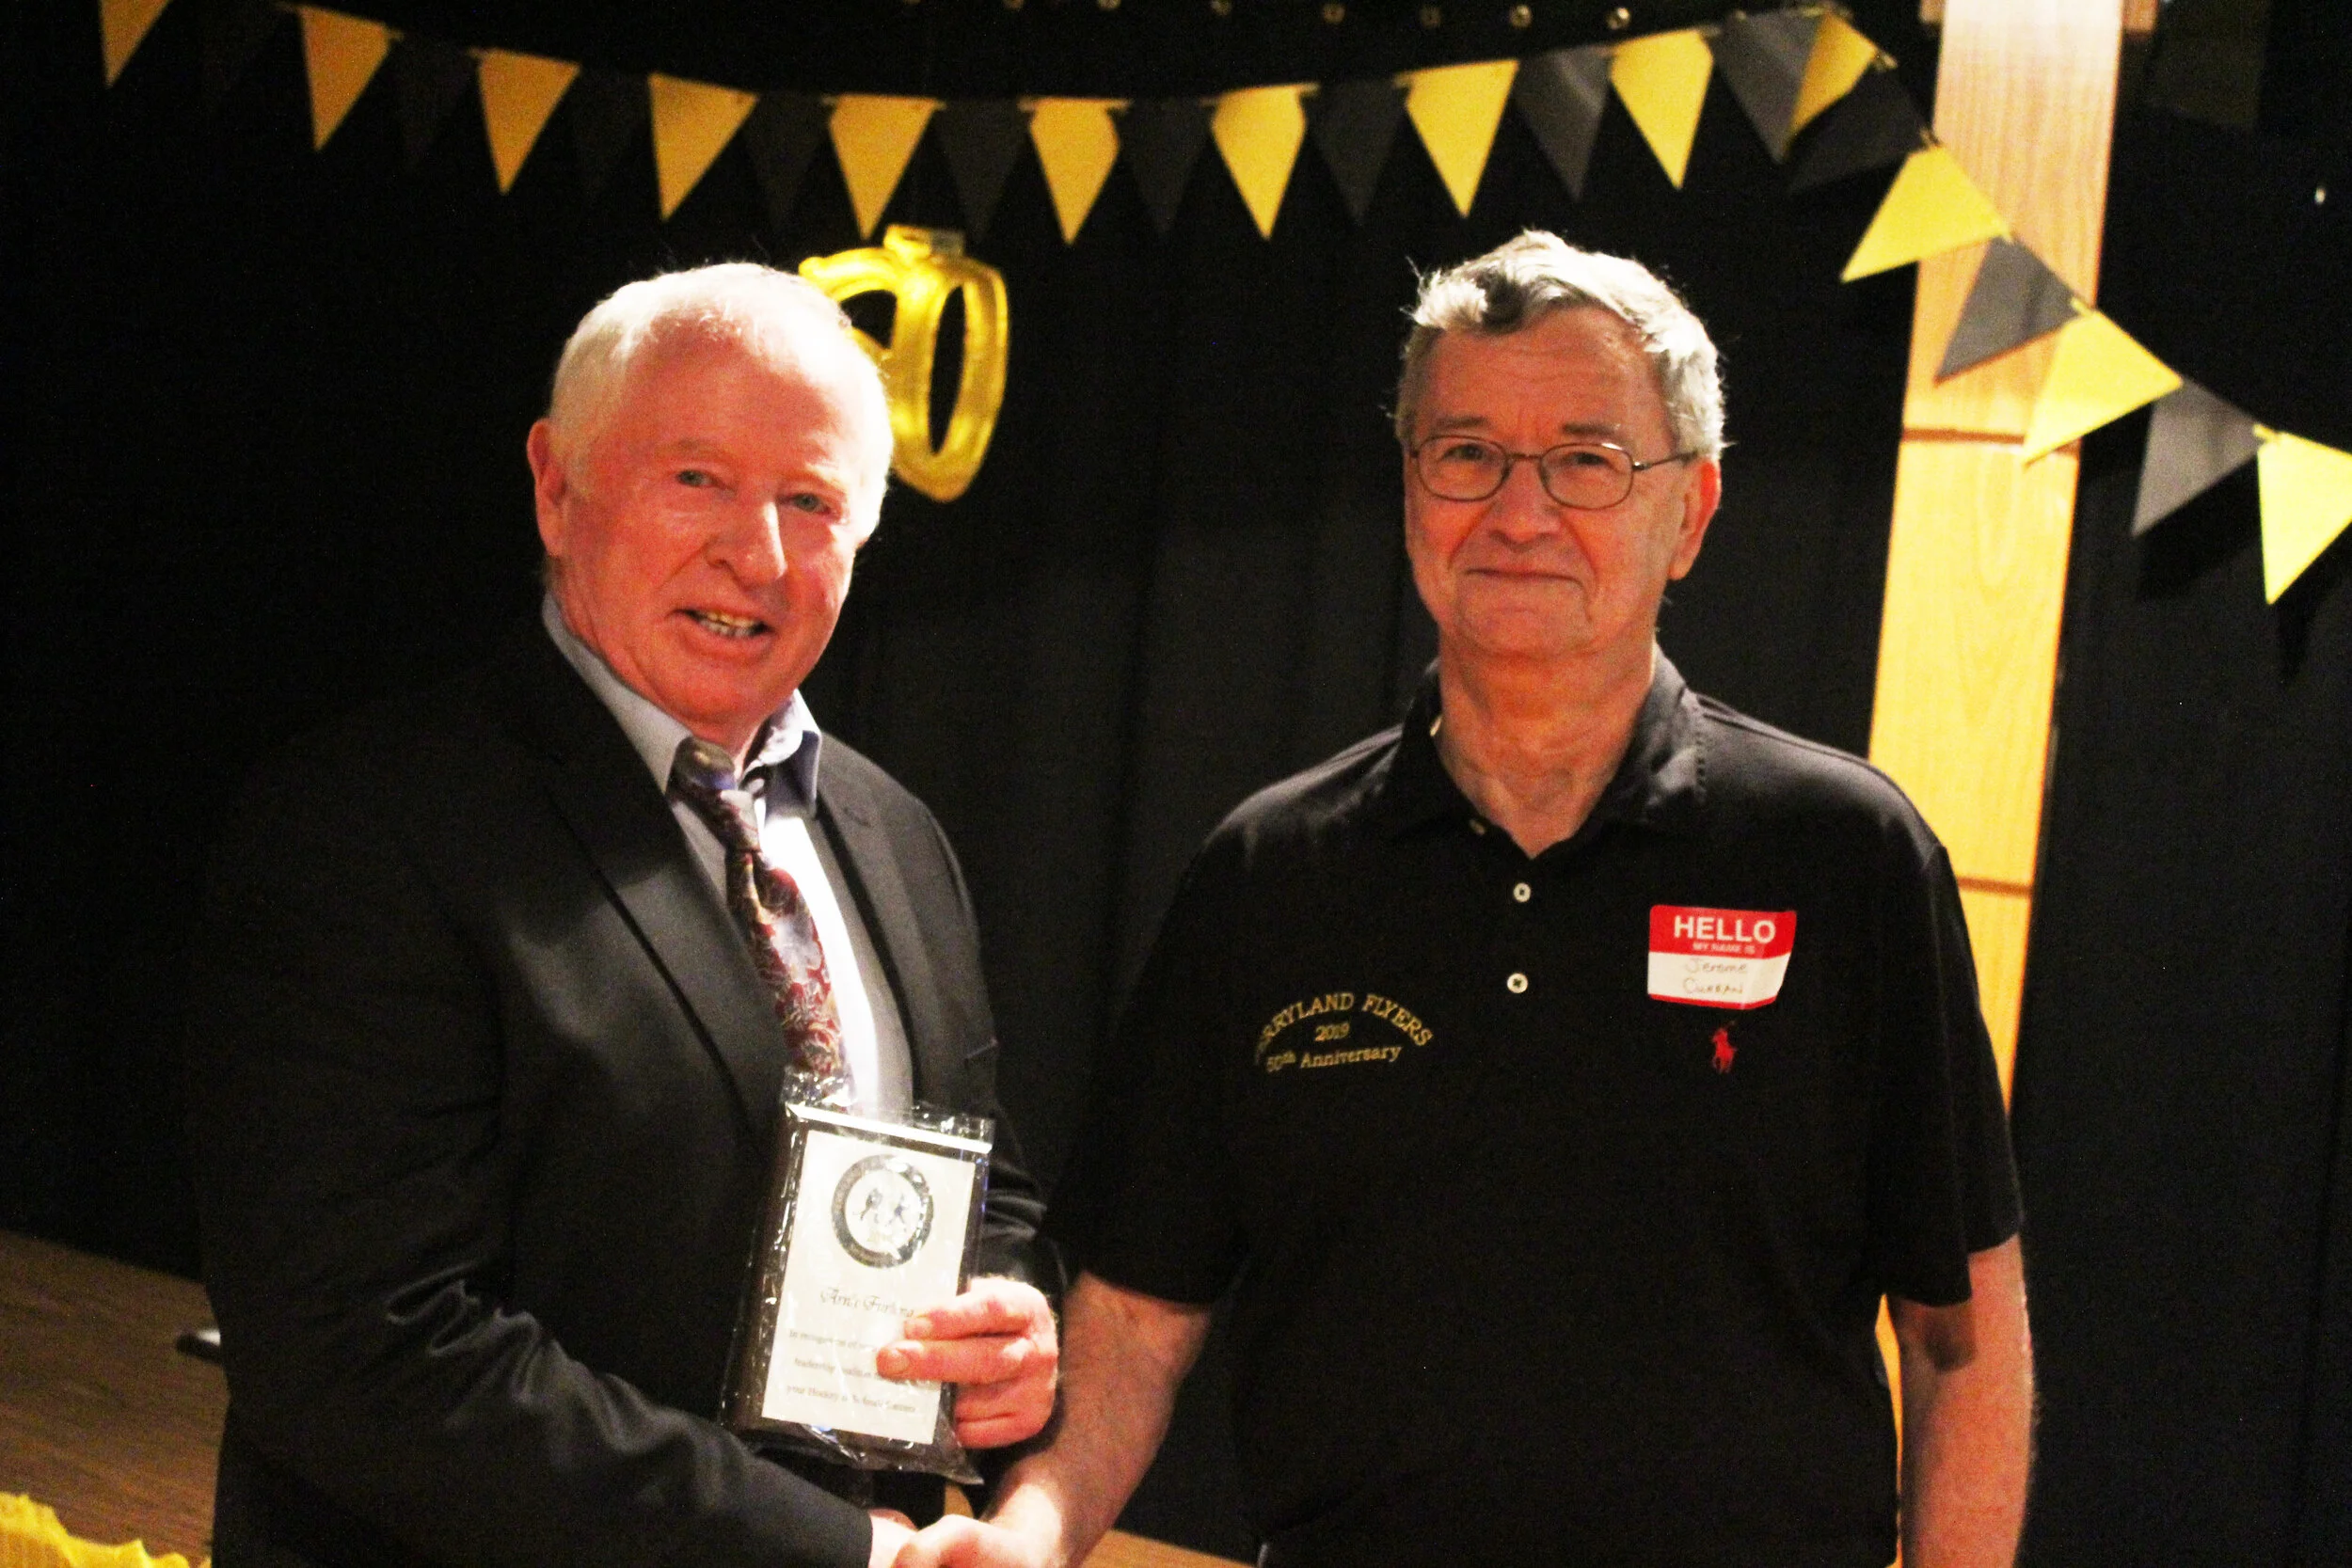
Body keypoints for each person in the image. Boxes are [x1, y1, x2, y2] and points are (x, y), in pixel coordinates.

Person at [902, 233, 2032, 1568]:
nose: (1519, 511)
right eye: (1467, 454)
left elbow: (1962, 1339)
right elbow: (1138, 1318)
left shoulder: (1844, 855)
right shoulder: (1271, 872)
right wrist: (1027, 1532)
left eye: (1587, 461)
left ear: (1695, 511)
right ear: (1409, 490)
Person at [187, 264, 1057, 1568]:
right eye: (696, 479)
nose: (754, 553)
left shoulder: (898, 836)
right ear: (555, 485)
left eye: (810, 501)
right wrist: (831, 1550)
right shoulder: (370, 823)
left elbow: (981, 1179)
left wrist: (1012, 1325)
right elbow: (365, 1353)